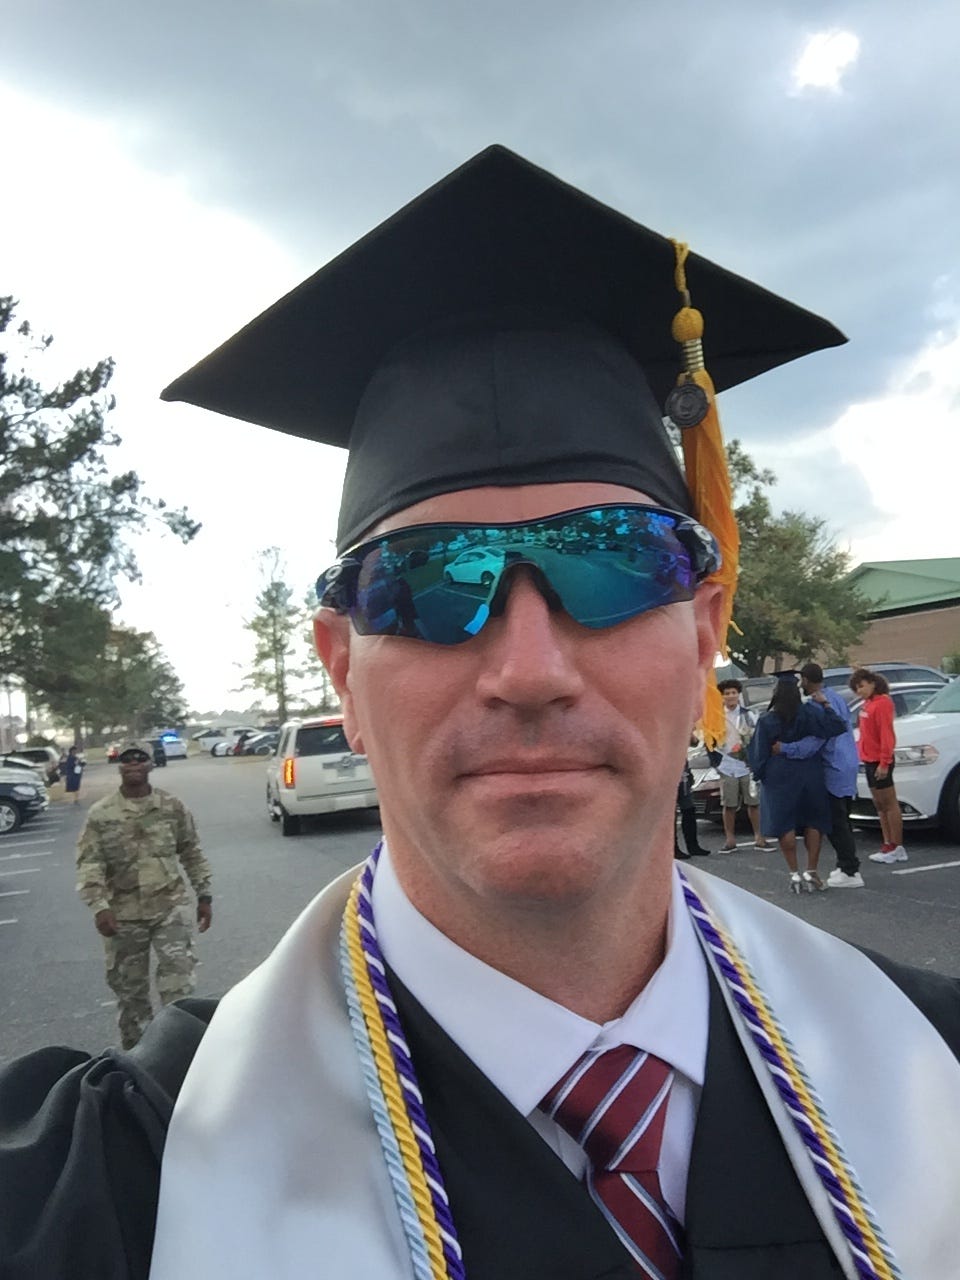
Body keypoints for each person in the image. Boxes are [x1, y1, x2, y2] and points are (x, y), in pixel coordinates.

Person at [1, 146, 958, 1280]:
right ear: (343, 670)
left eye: (614, 562)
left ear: (705, 630)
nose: (529, 669)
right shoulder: (112, 1191)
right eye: (428, 580)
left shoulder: (929, 1070)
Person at [74, 740, 213, 1050]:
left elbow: (191, 852)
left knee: (179, 989)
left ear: (150, 764)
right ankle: (138, 1059)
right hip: (122, 915)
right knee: (131, 995)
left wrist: (204, 895)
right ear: (120, 766)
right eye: (128, 759)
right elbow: (90, 863)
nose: (134, 763)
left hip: (170, 908)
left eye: (140, 758)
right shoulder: (102, 814)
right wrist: (99, 907)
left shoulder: (171, 807)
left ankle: (181, 1053)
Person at [749, 675, 847, 891]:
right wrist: (826, 705)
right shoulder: (811, 712)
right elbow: (837, 726)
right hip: (809, 772)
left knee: (785, 823)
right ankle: (811, 871)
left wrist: (760, 774)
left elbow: (758, 754)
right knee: (814, 821)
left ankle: (794, 875)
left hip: (779, 775)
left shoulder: (767, 720)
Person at [775, 662, 864, 888]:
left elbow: (815, 741)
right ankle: (845, 864)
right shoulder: (836, 697)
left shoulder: (817, 705)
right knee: (844, 817)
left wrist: (785, 748)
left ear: (805, 680)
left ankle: (850, 870)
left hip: (833, 765)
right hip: (848, 760)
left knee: (836, 821)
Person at [851, 667, 907, 864]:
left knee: (889, 803)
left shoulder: (882, 703)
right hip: (868, 759)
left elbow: (886, 735)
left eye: (862, 686)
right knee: (879, 805)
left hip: (880, 760)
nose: (859, 691)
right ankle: (887, 842)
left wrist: (884, 762)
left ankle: (897, 845)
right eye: (856, 688)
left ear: (872, 683)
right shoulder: (867, 704)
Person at [714, 679, 766, 850]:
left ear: (739, 694)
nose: (731, 696)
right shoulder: (717, 717)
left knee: (753, 802)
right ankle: (730, 839)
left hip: (746, 765)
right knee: (729, 804)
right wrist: (716, 762)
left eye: (734, 693)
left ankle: (759, 836)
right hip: (726, 765)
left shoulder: (748, 715)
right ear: (722, 696)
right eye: (727, 693)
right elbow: (710, 741)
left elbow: (756, 737)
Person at [674, 755, 711, 860]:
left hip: (683, 775)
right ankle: (673, 847)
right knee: (671, 814)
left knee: (689, 810)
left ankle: (693, 846)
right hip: (668, 775)